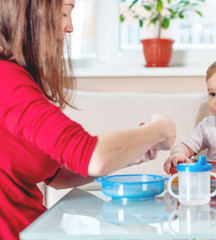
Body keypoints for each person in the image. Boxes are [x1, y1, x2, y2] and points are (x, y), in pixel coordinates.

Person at [0, 0, 176, 239]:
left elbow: (57, 176)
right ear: (31, 13)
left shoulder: (18, 79)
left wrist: (131, 156)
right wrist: (160, 129)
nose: (70, 27)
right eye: (64, 13)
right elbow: (93, 156)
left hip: (40, 229)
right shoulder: (6, 81)